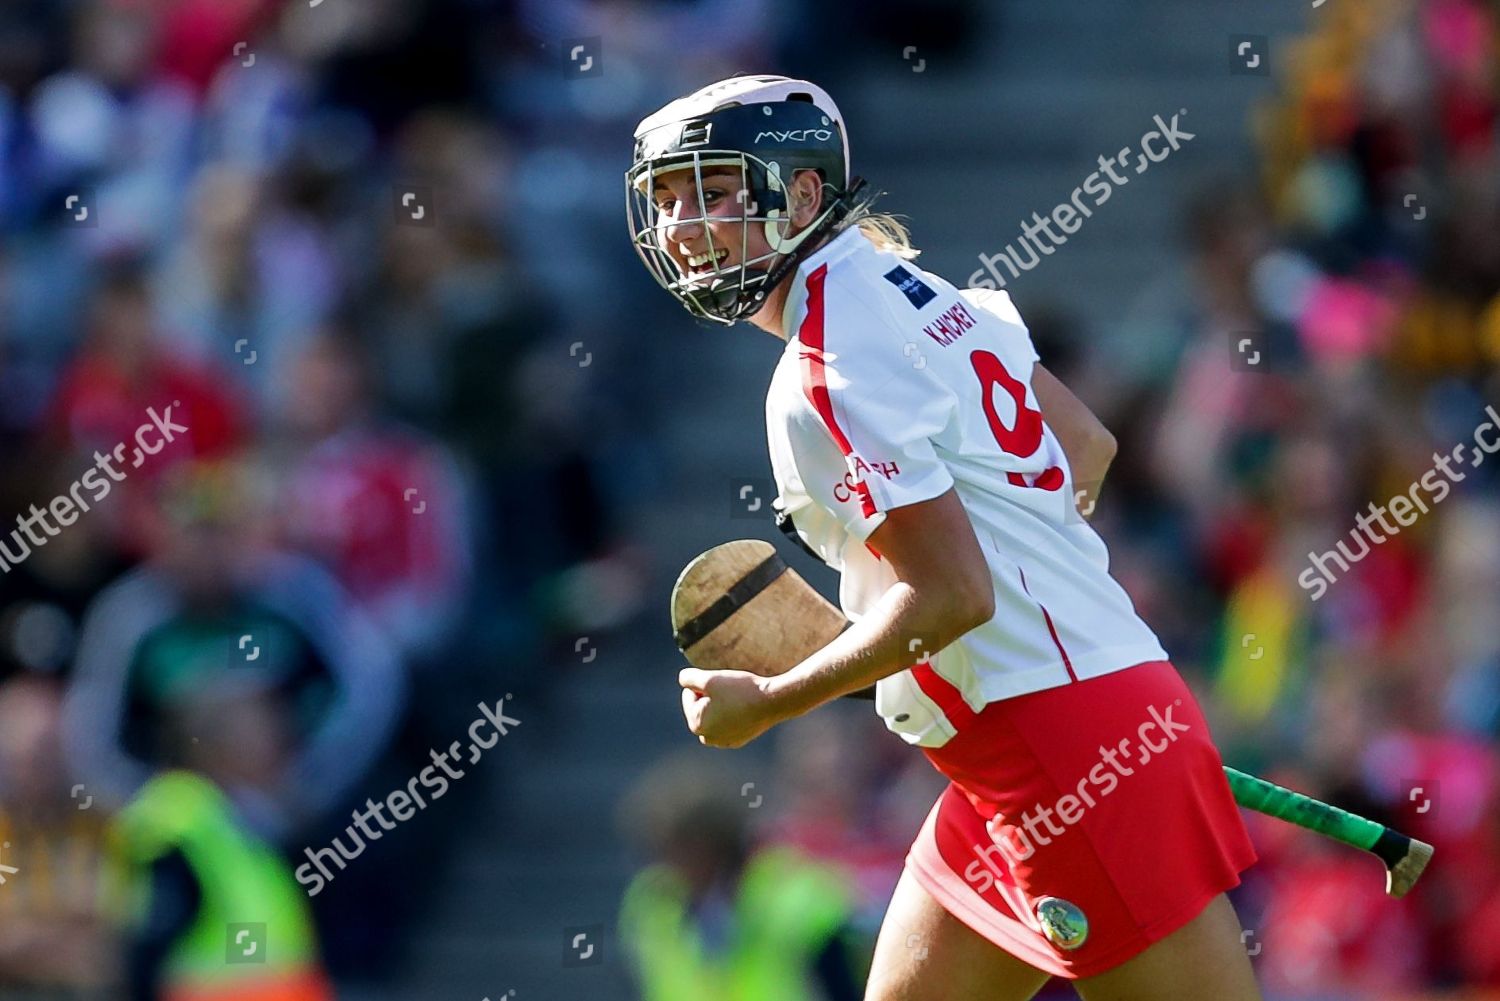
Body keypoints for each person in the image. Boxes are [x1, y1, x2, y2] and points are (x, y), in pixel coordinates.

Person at [626, 75, 1263, 1000]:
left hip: (1058, 749)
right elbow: (1087, 446)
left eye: (714, 191)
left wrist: (770, 699)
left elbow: (957, 596)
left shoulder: (824, 366)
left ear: (802, 196)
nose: (684, 224)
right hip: (1044, 740)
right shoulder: (915, 288)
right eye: (670, 197)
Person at [617, 751, 865, 1001]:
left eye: (677, 848)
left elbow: (845, 991)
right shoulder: (654, 907)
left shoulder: (801, 896)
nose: (667, 865)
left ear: (710, 844)